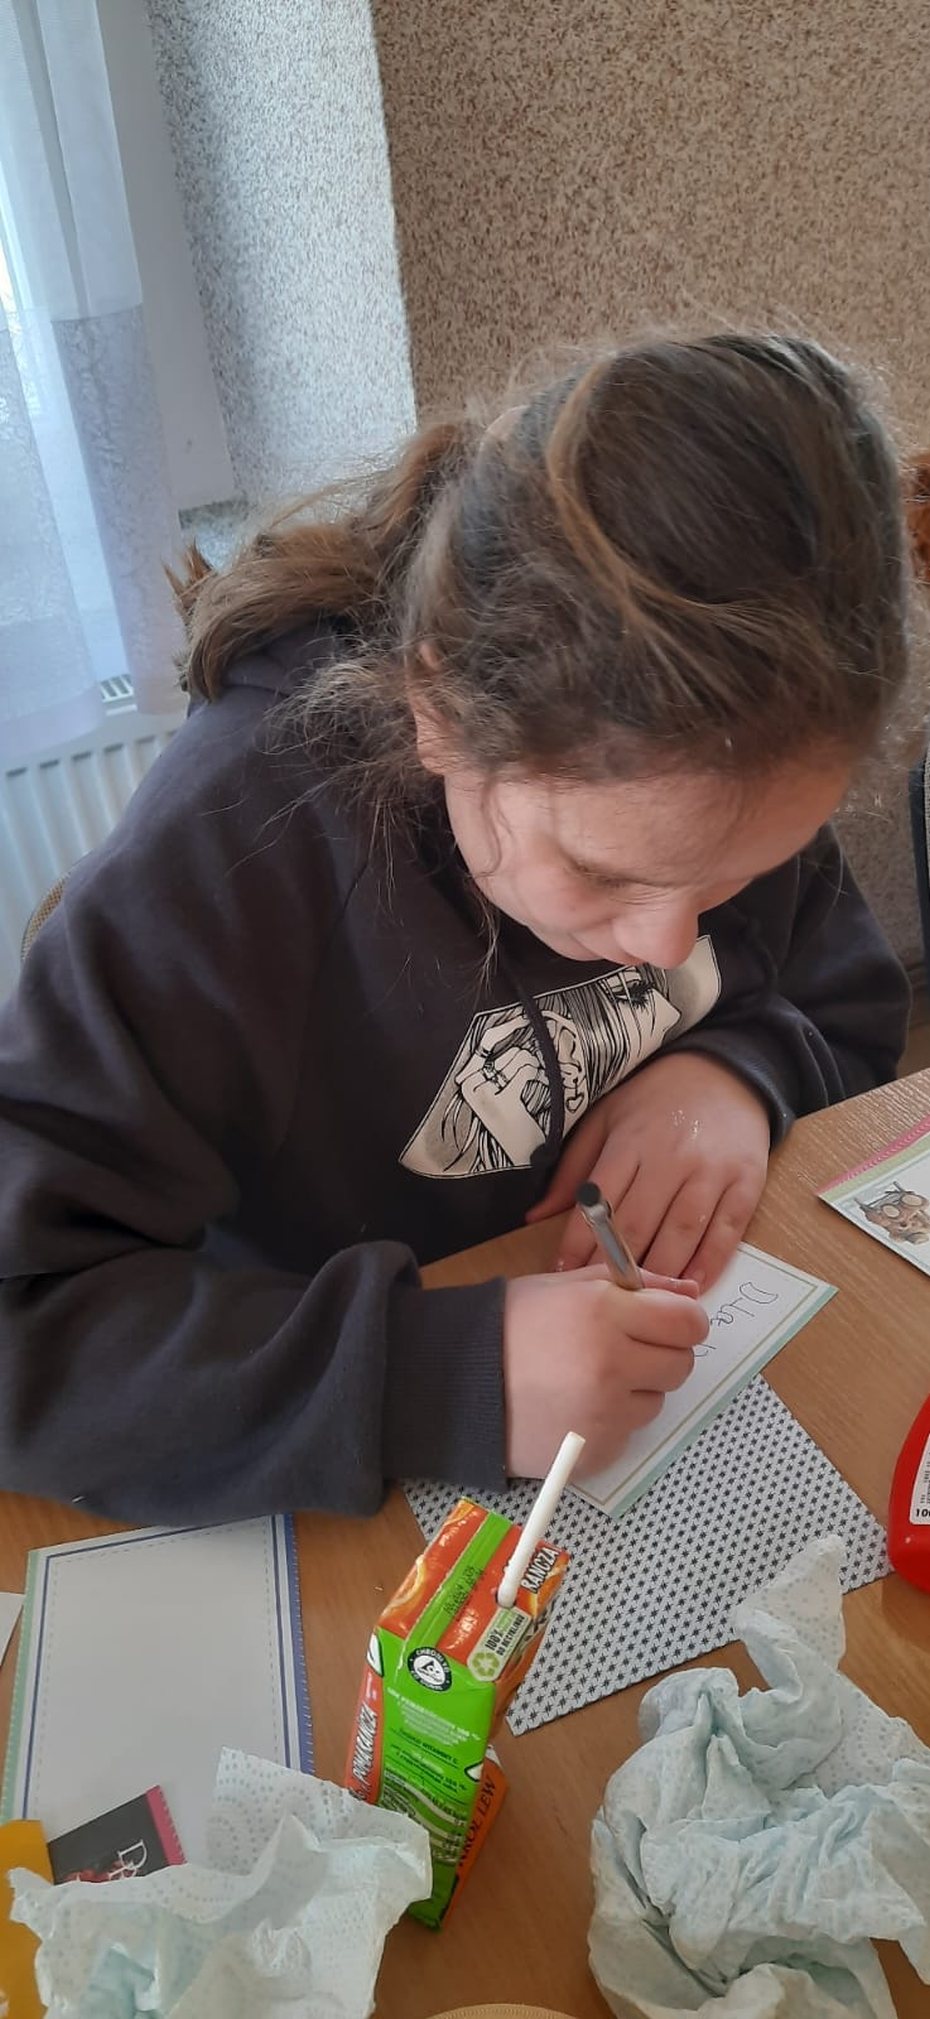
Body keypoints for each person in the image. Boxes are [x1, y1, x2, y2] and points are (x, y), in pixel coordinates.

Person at [0, 332, 911, 1524]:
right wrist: (437, 1374)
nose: (666, 944)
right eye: (600, 872)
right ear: (438, 710)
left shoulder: (736, 760)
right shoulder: (240, 842)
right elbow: (28, 1332)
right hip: (312, 1445)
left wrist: (737, 1072)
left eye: (743, 875)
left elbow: (846, 1000)